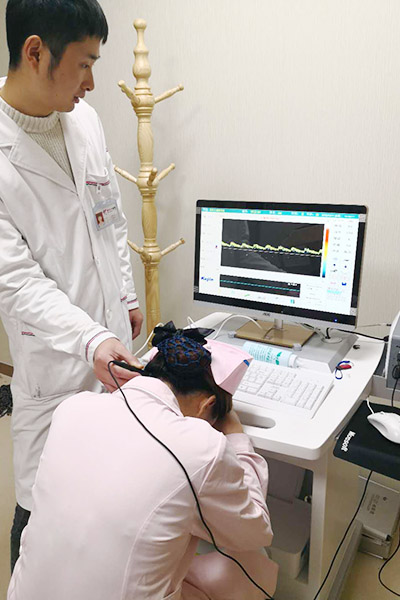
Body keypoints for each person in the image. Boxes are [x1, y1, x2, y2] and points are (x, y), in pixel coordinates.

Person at [0, 0, 144, 570]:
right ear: (35, 52)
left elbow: (111, 216)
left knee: (105, 499)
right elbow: (15, 281)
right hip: (55, 368)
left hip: (110, 347)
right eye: (84, 64)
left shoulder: (84, 120)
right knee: (41, 509)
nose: (91, 82)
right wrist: (90, 338)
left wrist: (126, 296)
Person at [7, 325, 279, 600]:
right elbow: (255, 532)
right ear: (206, 405)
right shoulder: (202, 447)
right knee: (250, 566)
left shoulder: (73, 408)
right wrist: (236, 437)